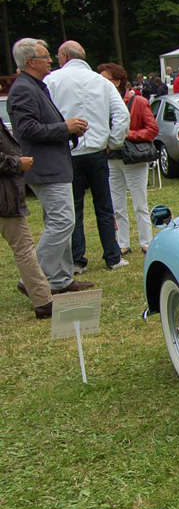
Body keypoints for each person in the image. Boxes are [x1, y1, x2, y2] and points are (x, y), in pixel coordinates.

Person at [7, 38, 94, 294]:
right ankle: (34, 278)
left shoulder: (35, 86)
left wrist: (69, 129)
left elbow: (39, 124)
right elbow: (27, 130)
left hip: (53, 164)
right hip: (45, 167)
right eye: (45, 56)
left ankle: (60, 280)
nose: (50, 61)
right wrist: (64, 127)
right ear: (31, 61)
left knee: (60, 220)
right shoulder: (24, 89)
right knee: (63, 221)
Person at [46, 41, 130, 272]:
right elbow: (122, 114)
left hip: (68, 152)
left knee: (74, 208)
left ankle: (77, 260)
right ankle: (112, 256)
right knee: (104, 206)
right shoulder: (101, 82)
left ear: (63, 56)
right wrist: (112, 142)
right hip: (96, 151)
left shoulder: (51, 80)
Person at [98, 63, 158, 254]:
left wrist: (127, 133)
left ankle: (146, 241)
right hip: (112, 158)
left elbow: (152, 129)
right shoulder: (100, 103)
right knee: (117, 204)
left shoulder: (138, 101)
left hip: (134, 158)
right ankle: (123, 243)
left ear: (117, 81)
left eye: (105, 79)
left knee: (139, 202)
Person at [2, 116, 53, 318]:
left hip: (6, 197)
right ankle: (43, 302)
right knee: (24, 248)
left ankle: (43, 301)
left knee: (24, 247)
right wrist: (16, 163)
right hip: (4, 200)